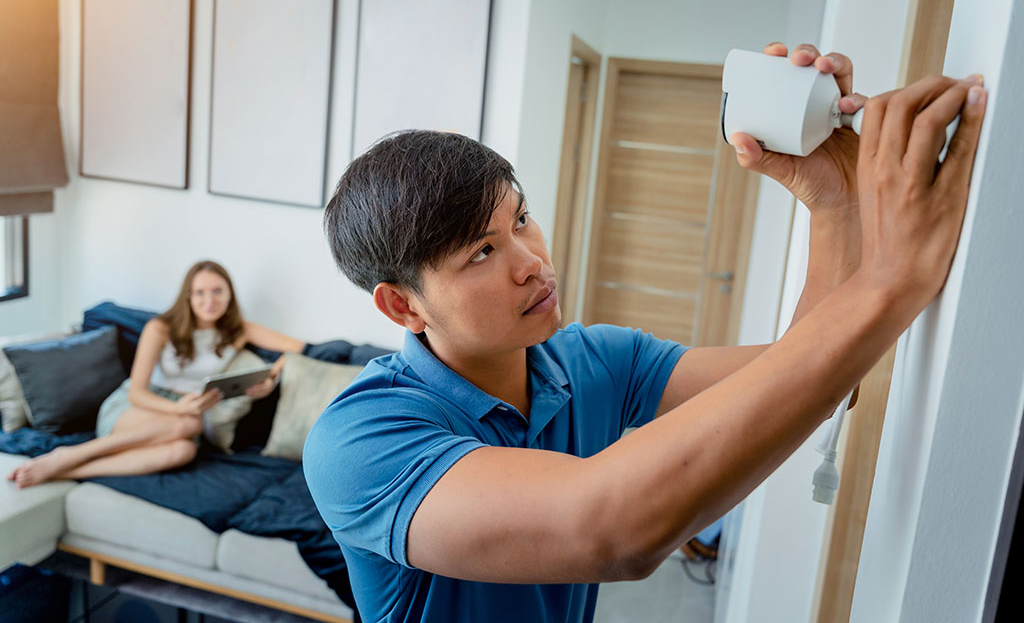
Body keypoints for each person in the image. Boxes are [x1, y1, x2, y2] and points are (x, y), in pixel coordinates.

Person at [302, 43, 988, 623]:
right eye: (482, 253)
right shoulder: (360, 439)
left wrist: (834, 203)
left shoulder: (594, 361)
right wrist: (891, 279)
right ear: (402, 307)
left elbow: (807, 379)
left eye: (520, 220)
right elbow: (609, 529)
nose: (532, 261)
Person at [7, 260, 304, 489]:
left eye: (217, 291)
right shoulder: (160, 328)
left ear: (229, 295)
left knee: (184, 452)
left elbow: (297, 348)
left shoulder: (237, 330)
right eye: (200, 293)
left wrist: (269, 380)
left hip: (184, 418)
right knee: (189, 425)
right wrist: (177, 409)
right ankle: (69, 454)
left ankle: (72, 471)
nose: (209, 300)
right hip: (137, 408)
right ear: (187, 296)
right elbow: (137, 391)